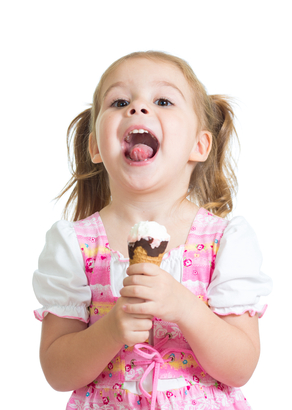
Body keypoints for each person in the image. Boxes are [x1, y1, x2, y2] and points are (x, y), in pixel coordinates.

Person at [33, 51, 272, 410]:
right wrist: (112, 329)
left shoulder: (224, 242)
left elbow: (240, 367)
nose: (137, 109)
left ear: (199, 145)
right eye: (120, 101)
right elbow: (57, 371)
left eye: (162, 100)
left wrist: (185, 308)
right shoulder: (74, 245)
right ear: (96, 147)